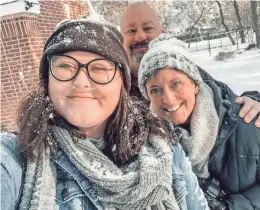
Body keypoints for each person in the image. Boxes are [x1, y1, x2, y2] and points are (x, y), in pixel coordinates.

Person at [1, 17, 209, 210]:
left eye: (99, 68)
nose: (81, 82)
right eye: (65, 66)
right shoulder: (16, 159)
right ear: (48, 80)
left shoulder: (164, 147)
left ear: (122, 83)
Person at [138, 33, 260, 210]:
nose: (169, 99)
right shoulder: (148, 143)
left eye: (175, 84)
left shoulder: (248, 121)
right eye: (155, 90)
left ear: (195, 83)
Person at [120, 2, 260, 128]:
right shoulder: (114, 87)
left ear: (162, 33)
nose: (140, 37)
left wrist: (252, 102)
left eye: (147, 28)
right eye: (131, 31)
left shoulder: (184, 69)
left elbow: (225, 101)